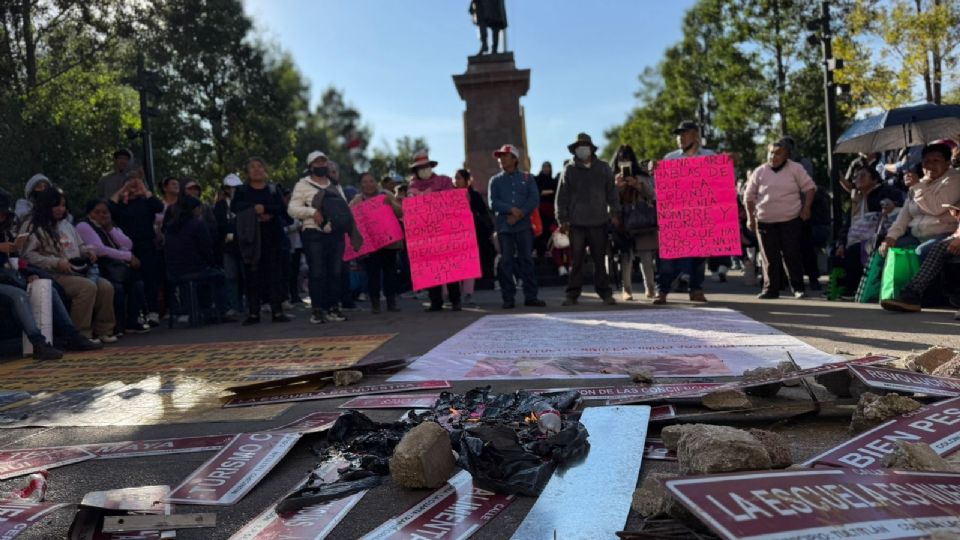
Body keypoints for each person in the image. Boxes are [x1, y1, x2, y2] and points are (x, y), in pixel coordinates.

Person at [1, 189, 101, 358]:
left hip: (13, 274)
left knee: (48, 288)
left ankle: (72, 334)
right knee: (19, 296)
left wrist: (26, 272)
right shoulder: (33, 225)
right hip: (24, 276)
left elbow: (19, 259)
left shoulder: (5, 231)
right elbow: (30, 255)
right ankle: (38, 342)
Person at [21, 189, 117, 342]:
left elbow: (79, 246)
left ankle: (104, 330)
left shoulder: (66, 224)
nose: (61, 209)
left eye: (63, 205)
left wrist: (87, 252)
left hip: (75, 269)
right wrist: (55, 262)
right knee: (86, 288)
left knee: (106, 287)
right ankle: (80, 334)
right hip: (51, 272)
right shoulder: (33, 226)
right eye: (56, 206)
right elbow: (28, 255)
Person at [744, 140, 817, 299]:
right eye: (771, 152)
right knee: (769, 257)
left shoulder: (795, 169)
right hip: (765, 220)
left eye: (778, 153)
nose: (773, 156)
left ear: (786, 156)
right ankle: (770, 289)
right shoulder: (760, 171)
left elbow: (810, 188)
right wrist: (750, 218)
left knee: (792, 254)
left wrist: (806, 208)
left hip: (790, 219)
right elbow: (748, 197)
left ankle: (797, 288)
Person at [555, 133, 620, 306]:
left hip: (599, 221)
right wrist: (562, 220)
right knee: (576, 261)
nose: (582, 148)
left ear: (591, 148)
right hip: (576, 224)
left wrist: (615, 213)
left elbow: (612, 192)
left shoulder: (604, 168)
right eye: (578, 146)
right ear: (574, 150)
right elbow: (561, 197)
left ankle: (605, 293)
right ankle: (572, 294)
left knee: (600, 260)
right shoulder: (569, 169)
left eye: (584, 145)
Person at [654, 121, 715, 305]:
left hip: (700, 215)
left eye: (685, 133)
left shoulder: (710, 156)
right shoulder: (670, 158)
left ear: (696, 134)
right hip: (675, 215)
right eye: (678, 134)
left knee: (699, 256)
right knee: (668, 257)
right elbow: (661, 189)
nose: (680, 137)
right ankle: (662, 290)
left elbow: (719, 184)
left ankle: (696, 289)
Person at [288, 151, 348, 324]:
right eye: (317, 162)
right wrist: (312, 212)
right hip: (313, 232)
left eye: (323, 162)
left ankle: (333, 308)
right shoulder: (302, 185)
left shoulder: (335, 185)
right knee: (317, 271)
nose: (321, 165)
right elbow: (292, 209)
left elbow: (343, 206)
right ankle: (317, 310)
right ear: (310, 166)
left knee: (335, 272)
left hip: (335, 233)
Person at [76, 199, 149, 335]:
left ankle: (132, 321)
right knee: (117, 288)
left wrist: (109, 229)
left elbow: (127, 244)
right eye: (97, 212)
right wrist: (127, 256)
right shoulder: (84, 226)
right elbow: (100, 249)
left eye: (105, 212)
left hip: (116, 267)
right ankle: (117, 326)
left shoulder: (110, 227)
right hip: (99, 267)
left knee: (137, 284)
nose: (101, 216)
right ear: (89, 213)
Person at [232, 157, 290, 325]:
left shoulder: (273, 189)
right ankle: (253, 313)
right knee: (252, 275)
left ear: (265, 170)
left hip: (273, 238)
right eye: (252, 167)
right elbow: (235, 207)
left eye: (260, 166)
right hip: (251, 238)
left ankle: (277, 311)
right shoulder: (242, 191)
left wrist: (266, 209)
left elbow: (282, 209)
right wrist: (254, 211)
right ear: (247, 172)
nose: (256, 170)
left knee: (275, 275)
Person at [880, 142, 960, 261]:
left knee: (921, 252)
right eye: (926, 161)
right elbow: (904, 215)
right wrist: (891, 237)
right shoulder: (920, 182)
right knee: (887, 250)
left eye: (936, 161)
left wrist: (917, 186)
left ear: (947, 163)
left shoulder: (955, 179)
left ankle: (919, 280)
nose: (930, 165)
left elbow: (936, 208)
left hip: (943, 233)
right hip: (917, 236)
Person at [488, 144, 545, 309]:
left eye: (505, 156)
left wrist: (520, 214)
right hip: (504, 228)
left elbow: (534, 198)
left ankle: (531, 296)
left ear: (514, 159)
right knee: (506, 262)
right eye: (500, 157)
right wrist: (510, 210)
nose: (501, 159)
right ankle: (508, 297)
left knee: (527, 260)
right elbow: (493, 203)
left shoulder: (528, 178)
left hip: (524, 226)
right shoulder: (495, 180)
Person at [407, 150, 464, 312]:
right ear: (416, 170)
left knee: (451, 267)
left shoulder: (444, 181)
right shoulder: (412, 187)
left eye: (426, 166)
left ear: (431, 167)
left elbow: (455, 199)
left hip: (446, 231)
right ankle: (436, 302)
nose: (424, 169)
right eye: (420, 167)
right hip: (427, 235)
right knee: (431, 268)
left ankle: (456, 301)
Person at [108, 166, 165, 326]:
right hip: (127, 248)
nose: (133, 188)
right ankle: (135, 314)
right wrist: (124, 188)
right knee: (134, 281)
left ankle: (152, 312)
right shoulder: (121, 206)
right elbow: (109, 206)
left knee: (150, 278)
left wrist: (142, 188)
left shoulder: (146, 202)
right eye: (130, 185)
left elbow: (159, 206)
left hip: (146, 244)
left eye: (136, 184)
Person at [881, 204, 960, 316]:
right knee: (939, 247)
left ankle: (927, 295)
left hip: (942, 231)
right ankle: (912, 293)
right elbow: (901, 220)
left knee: (926, 249)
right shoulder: (913, 192)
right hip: (943, 234)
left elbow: (936, 207)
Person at [162, 195, 231, 320]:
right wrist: (212, 264)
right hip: (195, 269)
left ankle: (197, 310)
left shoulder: (170, 227)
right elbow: (206, 249)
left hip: (174, 271)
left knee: (205, 275)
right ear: (195, 209)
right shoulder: (197, 224)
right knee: (219, 275)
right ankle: (221, 310)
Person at [836, 167, 903, 295]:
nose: (857, 179)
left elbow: (898, 204)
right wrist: (841, 243)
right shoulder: (856, 199)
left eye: (863, 175)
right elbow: (847, 225)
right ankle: (842, 286)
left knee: (854, 251)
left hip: (881, 235)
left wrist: (892, 204)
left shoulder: (885, 191)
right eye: (855, 177)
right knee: (838, 252)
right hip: (857, 237)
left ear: (874, 179)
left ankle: (852, 288)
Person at [351, 172, 403, 313]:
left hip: (389, 243)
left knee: (389, 273)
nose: (369, 184)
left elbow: (401, 212)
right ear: (361, 185)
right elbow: (350, 218)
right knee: (372, 274)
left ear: (376, 182)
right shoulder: (357, 200)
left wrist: (390, 204)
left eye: (371, 181)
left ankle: (391, 303)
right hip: (371, 245)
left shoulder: (385, 194)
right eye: (365, 182)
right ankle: (375, 304)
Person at [612, 145, 658, 300]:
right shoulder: (612, 178)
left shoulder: (642, 176)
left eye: (627, 159)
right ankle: (627, 290)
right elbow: (607, 200)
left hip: (642, 219)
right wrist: (616, 187)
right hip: (623, 221)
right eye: (621, 159)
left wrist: (638, 185)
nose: (624, 162)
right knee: (626, 256)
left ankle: (650, 288)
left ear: (632, 161)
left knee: (646, 256)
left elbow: (652, 195)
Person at [456, 168, 495, 304]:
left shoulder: (475, 195)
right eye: (455, 178)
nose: (456, 181)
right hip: (455, 236)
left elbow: (483, 213)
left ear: (467, 180)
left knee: (468, 265)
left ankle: (468, 293)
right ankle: (452, 295)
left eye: (459, 178)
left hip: (472, 234)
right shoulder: (450, 195)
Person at [214, 173, 244, 315]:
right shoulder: (219, 205)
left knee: (246, 275)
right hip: (227, 246)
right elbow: (218, 224)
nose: (232, 190)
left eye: (235, 187)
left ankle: (249, 305)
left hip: (244, 244)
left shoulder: (244, 203)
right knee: (230, 276)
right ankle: (234, 306)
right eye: (229, 187)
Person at [535, 161, 558, 258]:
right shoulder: (537, 180)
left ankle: (549, 250)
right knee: (540, 231)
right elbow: (538, 192)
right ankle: (540, 250)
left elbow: (556, 193)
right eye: (544, 167)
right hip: (539, 209)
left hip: (550, 210)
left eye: (548, 167)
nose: (546, 169)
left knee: (550, 230)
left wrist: (546, 192)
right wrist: (550, 191)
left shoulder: (553, 181)